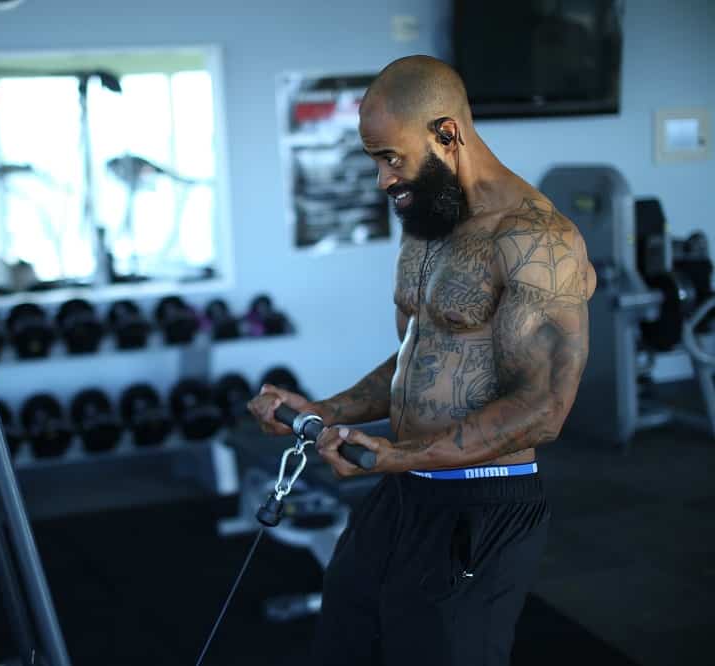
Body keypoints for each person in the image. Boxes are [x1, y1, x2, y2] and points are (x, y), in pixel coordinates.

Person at [247, 55, 597, 665]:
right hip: (404, 493)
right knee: (346, 641)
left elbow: (544, 407)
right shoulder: (426, 222)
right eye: (375, 160)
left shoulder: (537, 240)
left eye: (391, 158)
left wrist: (400, 454)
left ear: (446, 133)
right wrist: (324, 409)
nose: (384, 179)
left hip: (480, 504)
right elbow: (417, 359)